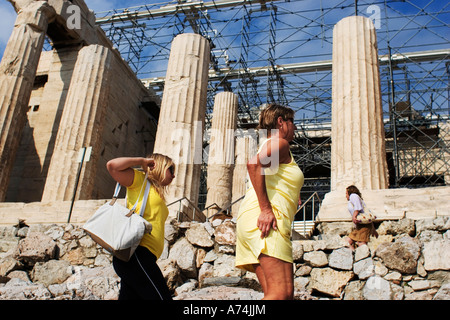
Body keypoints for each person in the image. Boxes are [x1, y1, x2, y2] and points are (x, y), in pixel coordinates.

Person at [235, 104, 304, 300]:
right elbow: (254, 165)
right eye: (292, 122)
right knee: (281, 294)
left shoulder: (269, 145)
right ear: (281, 122)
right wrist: (266, 209)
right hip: (266, 221)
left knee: (281, 294)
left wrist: (292, 192)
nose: (295, 128)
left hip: (252, 220)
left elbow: (269, 174)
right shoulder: (281, 144)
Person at [106, 154, 175, 300]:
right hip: (136, 254)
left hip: (144, 257)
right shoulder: (139, 181)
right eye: (171, 169)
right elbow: (113, 166)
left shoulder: (156, 192)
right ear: (160, 167)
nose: (173, 175)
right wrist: (143, 162)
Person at [345, 185, 378, 250]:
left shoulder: (353, 196)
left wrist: (354, 216)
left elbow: (358, 208)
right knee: (347, 242)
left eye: (346, 193)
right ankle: (354, 256)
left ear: (350, 192)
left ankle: (365, 258)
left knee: (361, 244)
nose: (345, 195)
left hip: (363, 226)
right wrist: (373, 229)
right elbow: (366, 215)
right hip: (359, 226)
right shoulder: (354, 198)